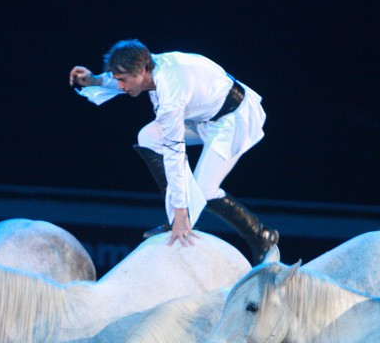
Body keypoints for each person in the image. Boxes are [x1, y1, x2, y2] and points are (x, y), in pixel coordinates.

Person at [69, 39, 279, 263]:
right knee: (148, 137)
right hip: (205, 116)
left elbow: (174, 153)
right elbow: (121, 78)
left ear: (141, 71)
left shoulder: (171, 93)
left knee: (205, 190)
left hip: (234, 119)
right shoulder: (149, 64)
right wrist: (93, 80)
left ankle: (261, 234)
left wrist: (180, 213)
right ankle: (180, 216)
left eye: (122, 80)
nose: (120, 85)